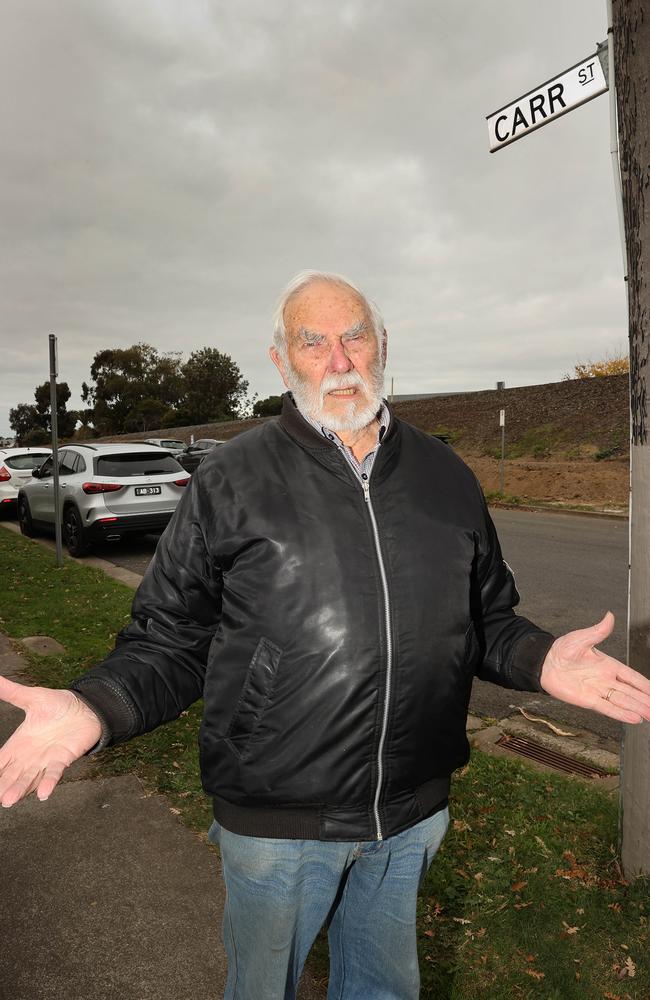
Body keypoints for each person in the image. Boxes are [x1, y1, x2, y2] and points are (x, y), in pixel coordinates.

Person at [1, 270, 649, 1000]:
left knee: (382, 991)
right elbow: (169, 638)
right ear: (282, 360)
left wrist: (539, 657)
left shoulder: (447, 475)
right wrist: (95, 706)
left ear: (381, 346)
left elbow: (485, 617)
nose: (339, 361)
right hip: (277, 827)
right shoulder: (231, 480)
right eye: (314, 342)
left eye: (355, 337)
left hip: (408, 818)